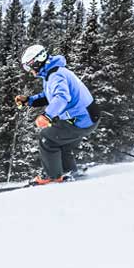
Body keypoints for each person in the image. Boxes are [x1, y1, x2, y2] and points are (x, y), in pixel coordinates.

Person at [14, 44, 101, 184]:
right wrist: (29, 101)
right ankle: (69, 171)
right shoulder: (52, 73)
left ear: (37, 62)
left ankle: (52, 175)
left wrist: (46, 116)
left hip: (82, 119)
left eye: (28, 67)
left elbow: (61, 97)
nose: (29, 71)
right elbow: (50, 96)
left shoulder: (55, 74)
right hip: (86, 116)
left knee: (47, 138)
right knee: (62, 143)